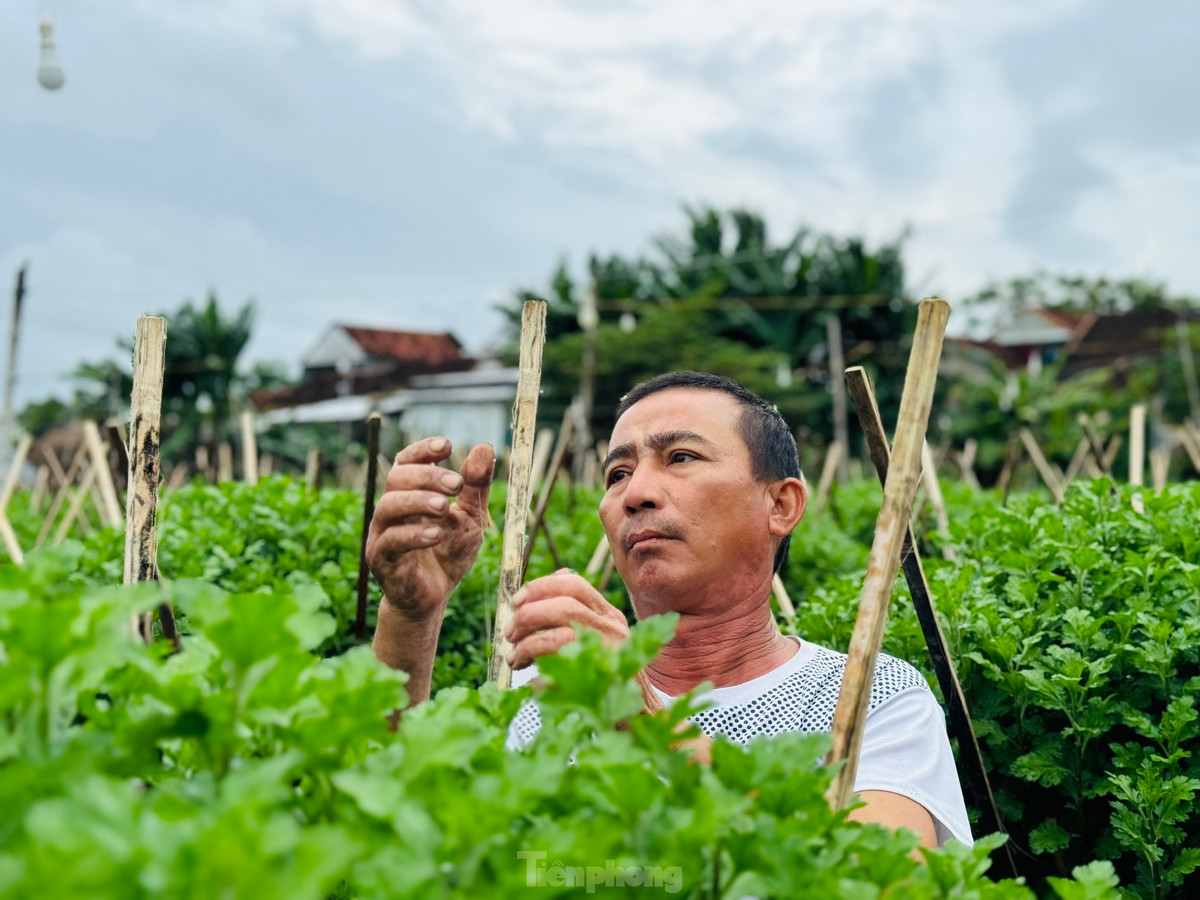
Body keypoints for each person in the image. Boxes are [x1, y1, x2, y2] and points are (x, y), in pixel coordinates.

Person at [368, 371, 972, 849]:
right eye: (618, 472)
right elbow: (405, 832)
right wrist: (409, 616)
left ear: (781, 504)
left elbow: (891, 874)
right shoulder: (539, 694)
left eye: (680, 457)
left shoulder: (871, 700)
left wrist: (646, 720)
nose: (636, 493)